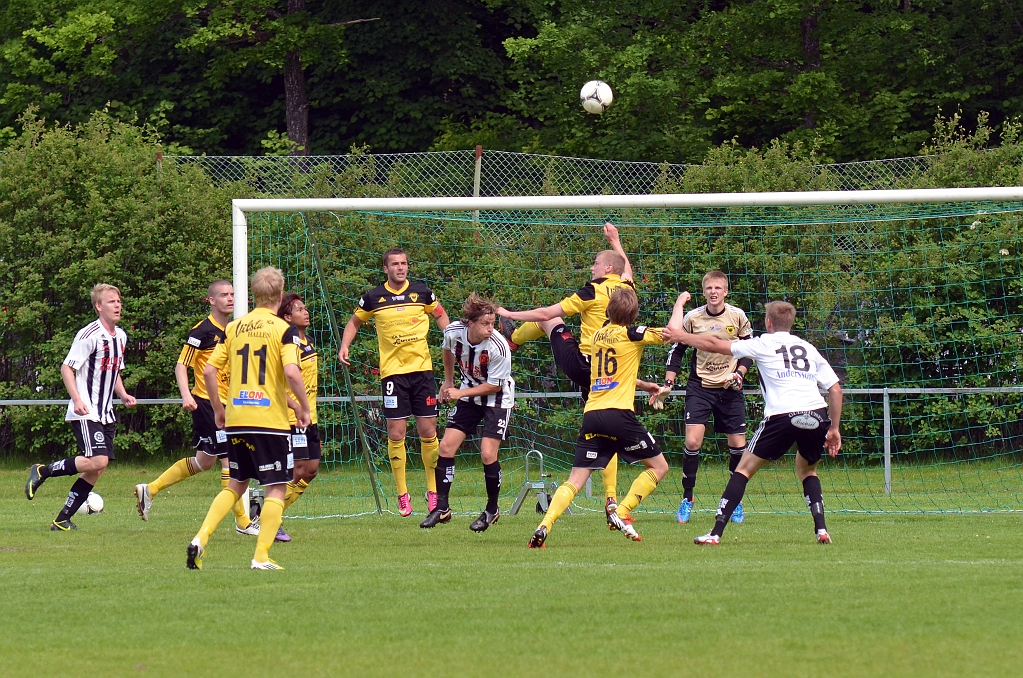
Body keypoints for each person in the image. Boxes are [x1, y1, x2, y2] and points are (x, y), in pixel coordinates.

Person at [498, 222, 660, 526]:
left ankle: (512, 337)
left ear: (606, 266)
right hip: (603, 373)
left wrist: (509, 313)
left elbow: (547, 312)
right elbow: (628, 272)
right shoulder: (626, 290)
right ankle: (611, 499)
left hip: (584, 362)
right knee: (608, 437)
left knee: (552, 318)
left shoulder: (593, 290)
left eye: (596, 262)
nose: (591, 266)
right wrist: (617, 240)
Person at [661, 299, 842, 546]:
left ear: (768, 322)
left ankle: (715, 533)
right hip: (816, 414)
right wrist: (833, 429)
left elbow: (714, 344)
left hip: (783, 414)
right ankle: (821, 530)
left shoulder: (763, 343)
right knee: (808, 471)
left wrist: (681, 336)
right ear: (791, 323)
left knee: (743, 470)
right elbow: (835, 390)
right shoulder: (807, 347)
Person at [186, 267, 311, 571]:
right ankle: (261, 557)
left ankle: (200, 539)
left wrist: (218, 408)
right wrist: (304, 407)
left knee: (236, 485)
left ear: (252, 294)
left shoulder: (234, 328)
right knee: (278, 486)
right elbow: (292, 372)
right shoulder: (284, 330)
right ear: (280, 296)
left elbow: (208, 371)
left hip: (238, 416)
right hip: (269, 420)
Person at [528, 287, 670, 548]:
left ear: (607, 311)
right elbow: (671, 333)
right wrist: (681, 302)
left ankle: (544, 525)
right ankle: (621, 510)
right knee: (660, 467)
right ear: (634, 314)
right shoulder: (632, 334)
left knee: (575, 479)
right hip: (619, 415)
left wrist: (642, 384)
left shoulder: (596, 337)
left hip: (592, 414)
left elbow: (607, 373)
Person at [133, 280, 258, 536]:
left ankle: (151, 489)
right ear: (211, 300)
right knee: (229, 460)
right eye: (224, 295)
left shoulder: (236, 329)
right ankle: (243, 522)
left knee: (204, 462)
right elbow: (181, 365)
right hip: (207, 404)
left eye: (232, 294)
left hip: (231, 403)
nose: (230, 299)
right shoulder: (202, 331)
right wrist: (186, 395)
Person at [339, 248, 449, 517]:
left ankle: (432, 492)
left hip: (422, 372)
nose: (401, 268)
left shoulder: (422, 292)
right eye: (395, 264)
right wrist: (345, 346)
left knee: (428, 432)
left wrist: (452, 337)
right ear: (385, 268)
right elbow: (354, 323)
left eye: (404, 264)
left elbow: (441, 316)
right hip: (392, 376)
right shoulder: (373, 297)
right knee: (396, 434)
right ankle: (402, 494)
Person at [25, 283, 137, 530]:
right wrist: (77, 400)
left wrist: (124, 394)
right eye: (111, 301)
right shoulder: (89, 335)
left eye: (118, 300)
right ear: (98, 306)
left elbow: (114, 371)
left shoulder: (121, 336)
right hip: (86, 410)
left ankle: (62, 519)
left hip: (106, 413)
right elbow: (67, 367)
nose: (117, 305)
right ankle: (43, 471)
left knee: (97, 468)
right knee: (97, 461)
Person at [654, 271, 753, 525]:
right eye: (709, 287)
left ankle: (735, 501)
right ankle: (687, 498)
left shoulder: (737, 316)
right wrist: (668, 382)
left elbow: (749, 352)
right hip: (700, 387)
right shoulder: (693, 317)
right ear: (704, 291)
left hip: (730, 388)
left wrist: (740, 374)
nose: (713, 291)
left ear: (726, 291)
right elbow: (676, 351)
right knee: (693, 441)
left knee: (738, 446)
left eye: (718, 287)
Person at [420, 294, 514, 532]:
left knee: (486, 453)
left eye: (493, 323)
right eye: (485, 324)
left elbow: (495, 385)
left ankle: (492, 510)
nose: (490, 329)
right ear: (470, 323)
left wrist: (460, 393)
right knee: (446, 447)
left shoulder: (499, 347)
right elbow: (448, 351)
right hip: (469, 393)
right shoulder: (453, 332)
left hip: (497, 398)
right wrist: (448, 381)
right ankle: (442, 508)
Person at [276, 292, 320, 541]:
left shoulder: (308, 340)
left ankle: (264, 511)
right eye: (299, 309)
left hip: (310, 415)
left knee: (311, 470)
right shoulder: (287, 346)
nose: (305, 312)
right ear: (287, 317)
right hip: (294, 418)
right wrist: (296, 407)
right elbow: (276, 386)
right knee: (297, 469)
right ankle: (269, 517)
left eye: (305, 308)